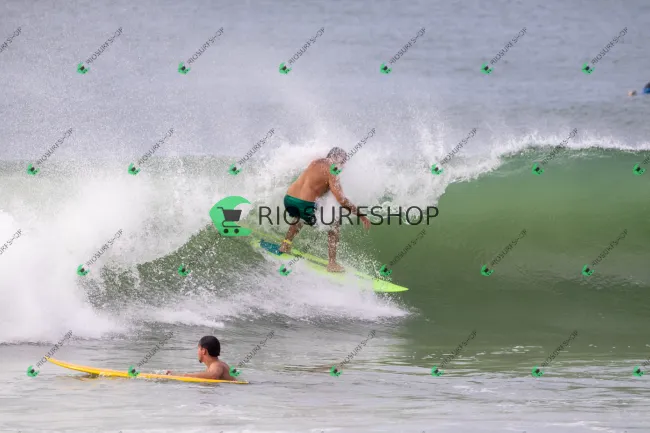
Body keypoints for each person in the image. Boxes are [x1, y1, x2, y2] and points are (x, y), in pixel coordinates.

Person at [279, 147, 371, 272]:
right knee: (334, 223)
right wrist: (361, 215)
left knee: (300, 215)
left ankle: (285, 245)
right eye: (343, 161)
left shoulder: (315, 162)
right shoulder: (333, 169)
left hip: (289, 200)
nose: (344, 165)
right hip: (304, 204)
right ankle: (332, 264)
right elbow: (341, 199)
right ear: (337, 158)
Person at [165, 336, 237, 380]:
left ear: (203, 351)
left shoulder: (216, 365)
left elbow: (213, 376)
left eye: (198, 348)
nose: (197, 352)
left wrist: (182, 375)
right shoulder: (220, 364)